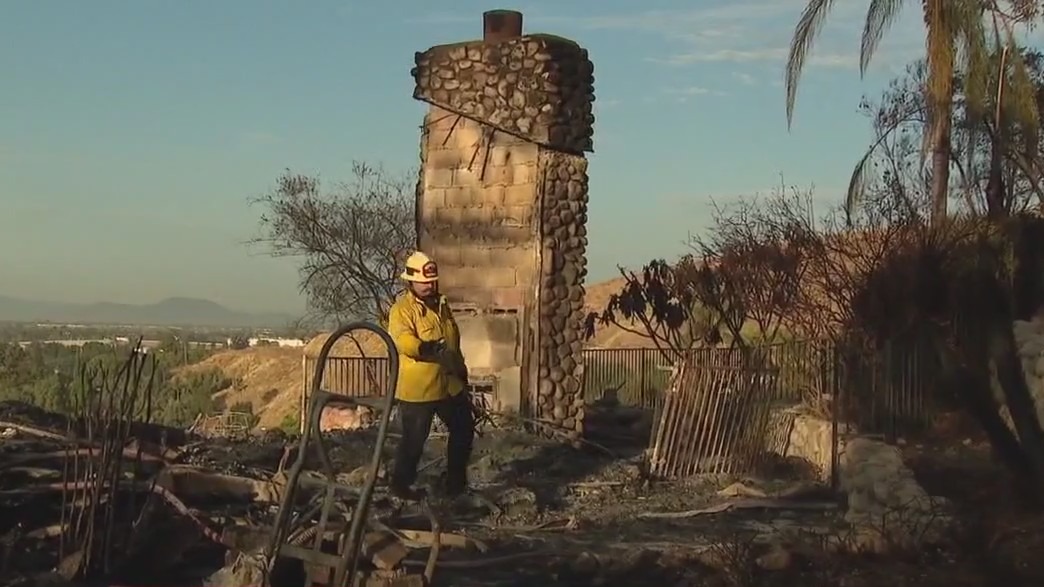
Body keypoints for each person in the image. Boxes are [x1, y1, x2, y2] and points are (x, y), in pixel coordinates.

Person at [387, 251, 474, 500]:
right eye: (424, 282)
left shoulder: (443, 306)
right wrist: (424, 347)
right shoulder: (402, 310)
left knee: (464, 429)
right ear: (410, 282)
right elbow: (403, 339)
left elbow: (453, 343)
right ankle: (401, 487)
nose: (429, 286)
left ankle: (455, 484)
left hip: (449, 383)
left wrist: (461, 371)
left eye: (432, 281)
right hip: (419, 388)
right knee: (414, 441)